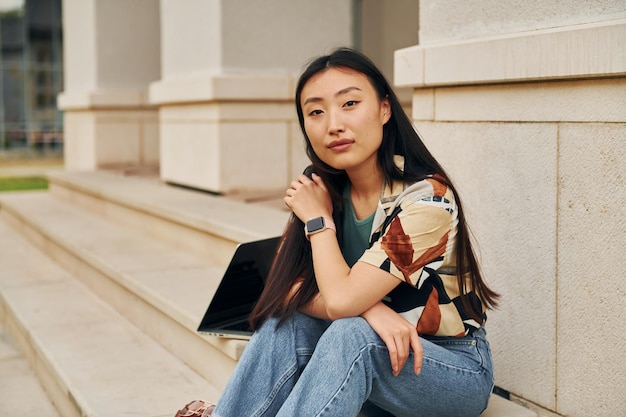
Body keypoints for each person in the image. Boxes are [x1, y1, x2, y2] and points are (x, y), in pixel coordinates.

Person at [175, 47, 500, 417]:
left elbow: (342, 303)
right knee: (291, 324)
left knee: (352, 336)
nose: (333, 124)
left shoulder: (427, 203)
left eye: (349, 104)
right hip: (373, 356)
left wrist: (319, 225)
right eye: (316, 111)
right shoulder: (323, 190)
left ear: (384, 109)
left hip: (448, 366)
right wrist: (371, 311)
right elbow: (283, 288)